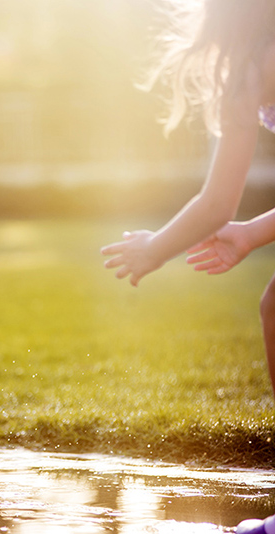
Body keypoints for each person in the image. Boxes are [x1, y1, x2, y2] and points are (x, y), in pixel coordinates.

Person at [100, 1, 275, 531]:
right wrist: (248, 234)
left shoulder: (256, 68)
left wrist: (155, 249)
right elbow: (226, 213)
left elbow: (218, 201)